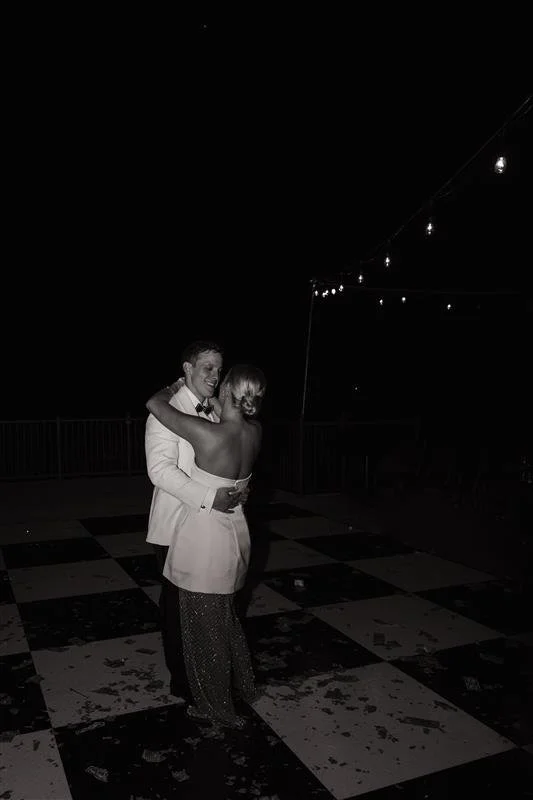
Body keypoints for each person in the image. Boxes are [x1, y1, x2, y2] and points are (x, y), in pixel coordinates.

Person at [146, 364, 266, 729]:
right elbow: (242, 479)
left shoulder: (208, 434)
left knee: (204, 630)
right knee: (225, 619)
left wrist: (173, 386)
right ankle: (243, 685)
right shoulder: (255, 432)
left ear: (227, 390)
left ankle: (217, 707)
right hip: (236, 536)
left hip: (203, 543)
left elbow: (154, 403)